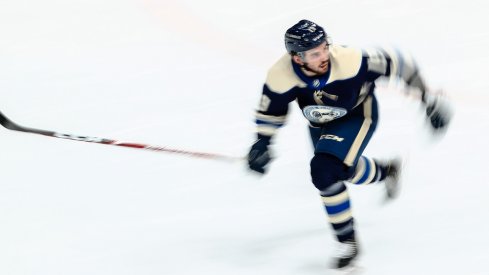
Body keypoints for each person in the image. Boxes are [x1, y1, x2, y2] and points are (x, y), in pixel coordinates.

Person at [247, 19, 451, 269]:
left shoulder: (350, 60)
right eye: (314, 53)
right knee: (339, 171)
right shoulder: (281, 76)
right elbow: (272, 111)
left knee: (325, 170)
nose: (323, 55)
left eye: (324, 47)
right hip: (320, 123)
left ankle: (347, 243)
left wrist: (427, 99)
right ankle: (386, 171)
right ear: (297, 58)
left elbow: (397, 64)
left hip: (357, 114)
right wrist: (262, 143)